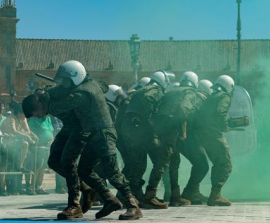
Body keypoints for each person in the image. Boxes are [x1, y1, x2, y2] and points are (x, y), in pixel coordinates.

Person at [22, 60, 142, 221]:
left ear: (75, 77)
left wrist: (46, 98)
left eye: (65, 80)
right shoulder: (87, 85)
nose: (63, 84)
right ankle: (108, 198)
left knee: (112, 172)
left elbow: (57, 108)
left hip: (103, 134)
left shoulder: (83, 93)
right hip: (91, 134)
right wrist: (53, 90)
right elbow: (103, 86)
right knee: (84, 170)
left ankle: (133, 206)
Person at [143, 71, 197, 208]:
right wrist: (184, 131)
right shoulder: (190, 92)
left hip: (160, 128)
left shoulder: (172, 91)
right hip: (171, 130)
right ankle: (150, 196)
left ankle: (175, 196)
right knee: (162, 162)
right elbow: (184, 111)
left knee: (174, 162)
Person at [120, 70, 174, 207]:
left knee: (137, 165)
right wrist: (155, 135)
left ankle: (130, 196)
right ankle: (148, 197)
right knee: (160, 161)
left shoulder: (140, 91)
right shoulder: (157, 91)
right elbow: (152, 114)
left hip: (129, 130)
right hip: (143, 131)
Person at [194, 75, 234, 206]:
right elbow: (220, 112)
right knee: (225, 164)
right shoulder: (224, 96)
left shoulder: (211, 96)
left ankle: (213, 194)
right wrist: (225, 127)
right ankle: (215, 195)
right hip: (212, 134)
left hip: (202, 134)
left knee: (218, 163)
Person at [27, 114, 54, 194]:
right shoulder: (34, 118)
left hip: (47, 147)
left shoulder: (48, 119)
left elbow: (51, 131)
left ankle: (39, 186)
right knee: (38, 166)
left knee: (43, 167)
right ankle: (32, 186)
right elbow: (29, 130)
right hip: (38, 146)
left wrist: (52, 141)